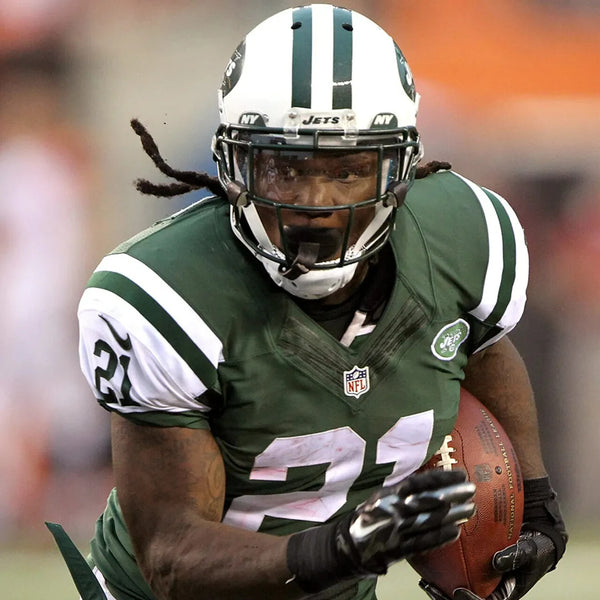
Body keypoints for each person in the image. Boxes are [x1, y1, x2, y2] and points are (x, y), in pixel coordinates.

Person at [48, 4, 567, 600]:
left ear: (399, 171)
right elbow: (172, 556)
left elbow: (482, 348)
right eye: (285, 169)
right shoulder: (168, 293)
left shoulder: (461, 238)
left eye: (347, 170)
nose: (316, 202)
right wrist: (342, 548)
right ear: (234, 166)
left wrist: (535, 500)